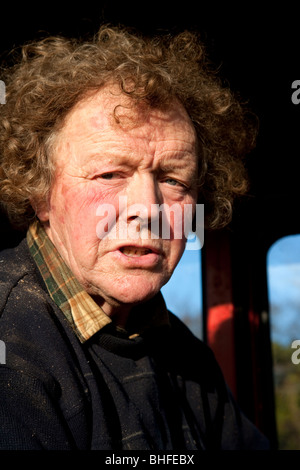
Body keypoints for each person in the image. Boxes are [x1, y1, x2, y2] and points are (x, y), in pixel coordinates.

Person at [0, 25, 268, 450]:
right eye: (110, 174)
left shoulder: (184, 353)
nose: (149, 208)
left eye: (173, 179)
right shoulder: (11, 348)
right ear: (40, 191)